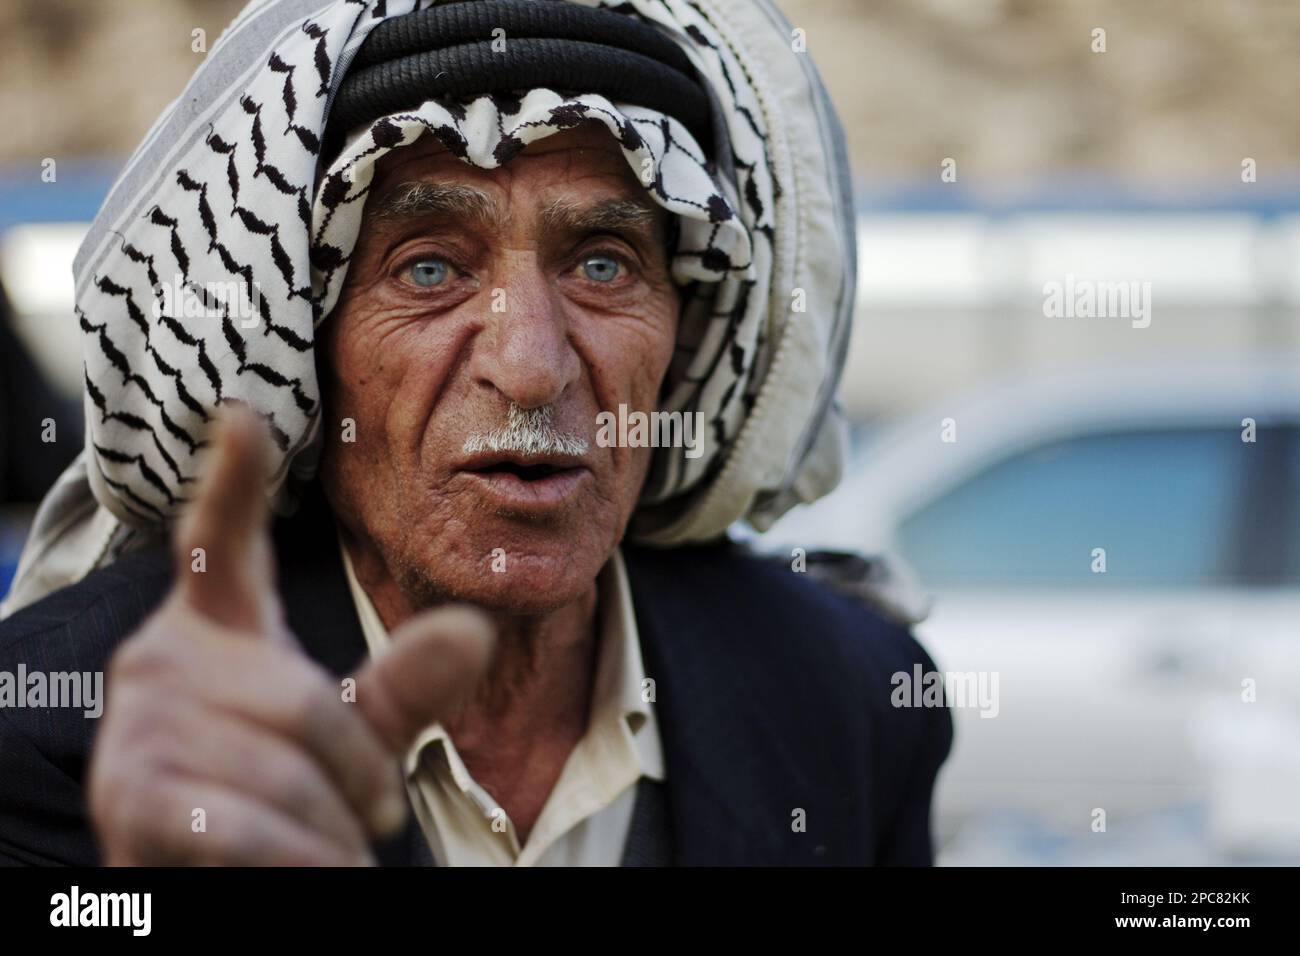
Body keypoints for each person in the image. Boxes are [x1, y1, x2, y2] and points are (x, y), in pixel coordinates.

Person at [0, 0, 950, 866]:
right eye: (427, 271)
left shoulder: (852, 702)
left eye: (606, 267)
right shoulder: (67, 732)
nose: (532, 367)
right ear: (304, 350)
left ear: (683, 333)